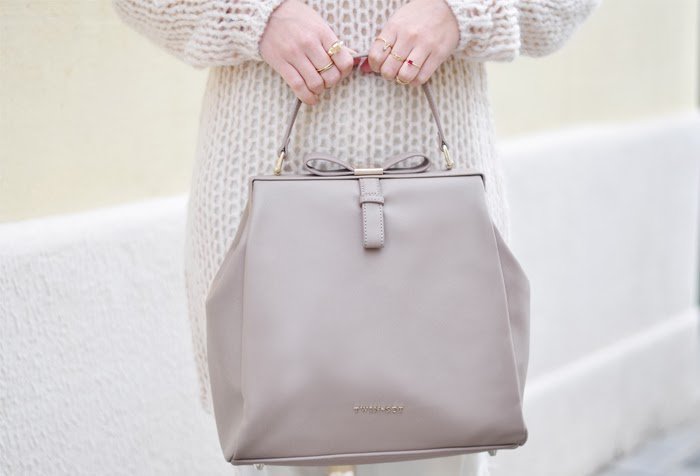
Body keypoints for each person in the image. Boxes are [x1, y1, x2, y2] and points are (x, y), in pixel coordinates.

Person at [113, 1, 600, 474]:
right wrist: (256, 15)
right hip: (264, 207)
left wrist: (461, 12)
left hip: (444, 225)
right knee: (279, 442)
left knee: (440, 443)